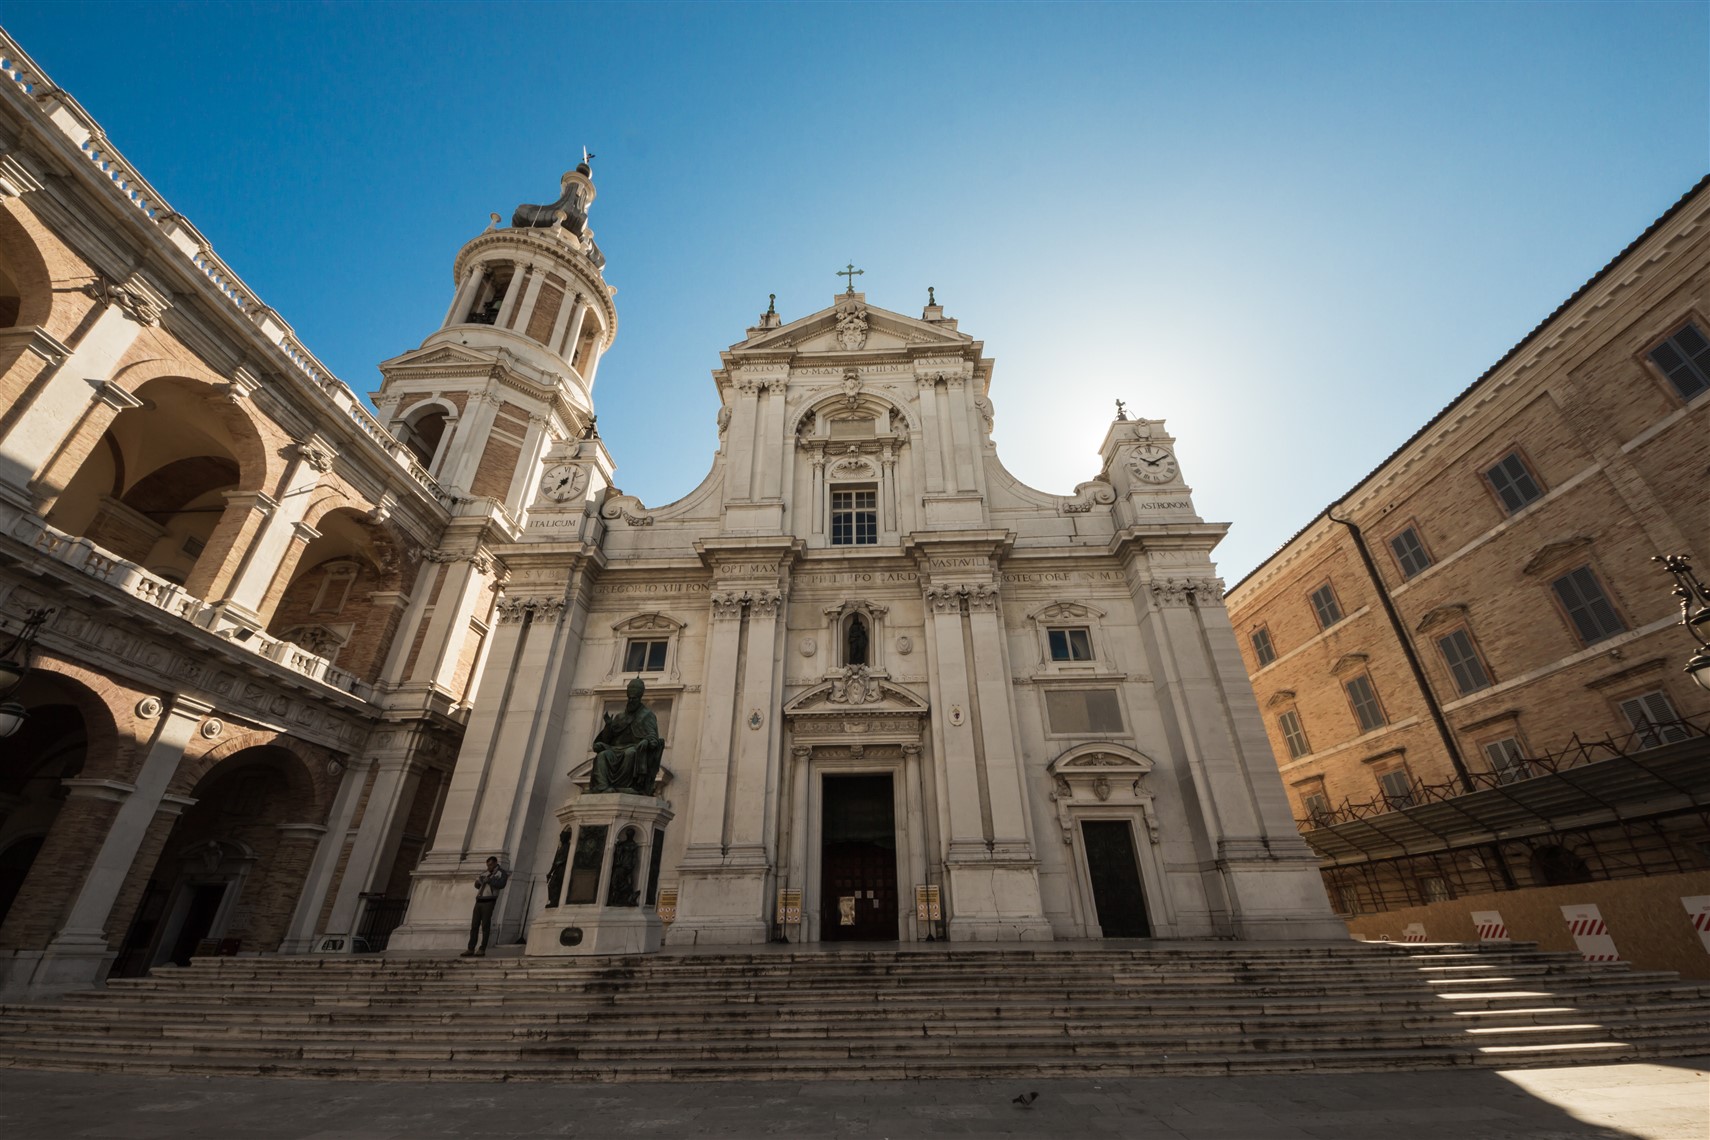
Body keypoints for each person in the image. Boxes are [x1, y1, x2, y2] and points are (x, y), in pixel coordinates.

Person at [589, 677, 665, 794]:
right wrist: (608, 726)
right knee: (602, 755)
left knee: (630, 753)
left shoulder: (647, 715)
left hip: (634, 748)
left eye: (634, 698)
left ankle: (627, 786)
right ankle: (603, 787)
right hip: (615, 749)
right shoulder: (620, 716)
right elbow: (609, 739)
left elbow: (653, 738)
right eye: (629, 698)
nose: (631, 701)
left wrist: (646, 741)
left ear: (639, 698)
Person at [461, 856, 508, 957]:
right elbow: (478, 886)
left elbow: (502, 884)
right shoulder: (485, 872)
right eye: (487, 865)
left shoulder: (501, 873)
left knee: (485, 926)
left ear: (495, 863)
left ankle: (482, 948)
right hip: (479, 900)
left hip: (489, 901)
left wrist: (490, 881)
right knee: (474, 926)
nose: (489, 867)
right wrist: (478, 882)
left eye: (490, 865)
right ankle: (470, 948)